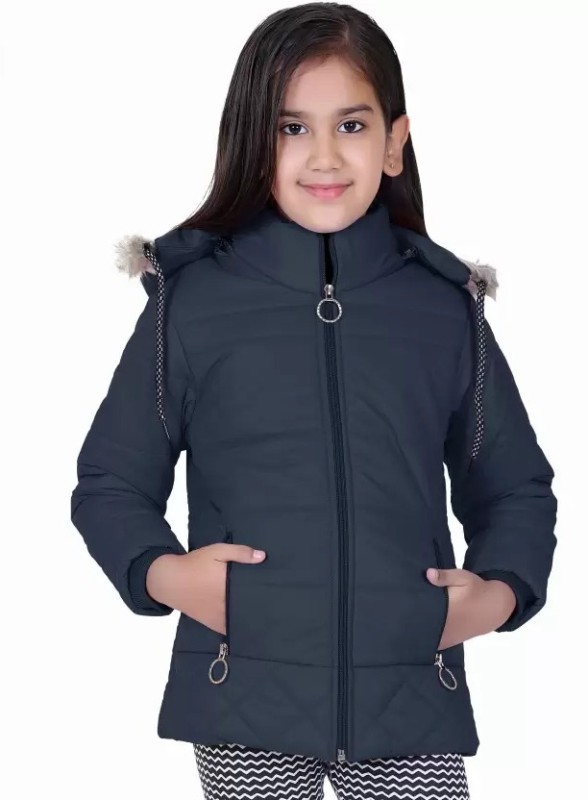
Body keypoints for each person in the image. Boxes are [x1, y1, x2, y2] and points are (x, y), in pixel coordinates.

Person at [70, 3, 558, 798]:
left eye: (352, 126)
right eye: (291, 128)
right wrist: (166, 576)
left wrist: (497, 593)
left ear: (395, 142)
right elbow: (111, 483)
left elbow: (513, 488)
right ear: (252, 141)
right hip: (243, 691)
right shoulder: (192, 305)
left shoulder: (443, 310)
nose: (324, 155)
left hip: (409, 689)